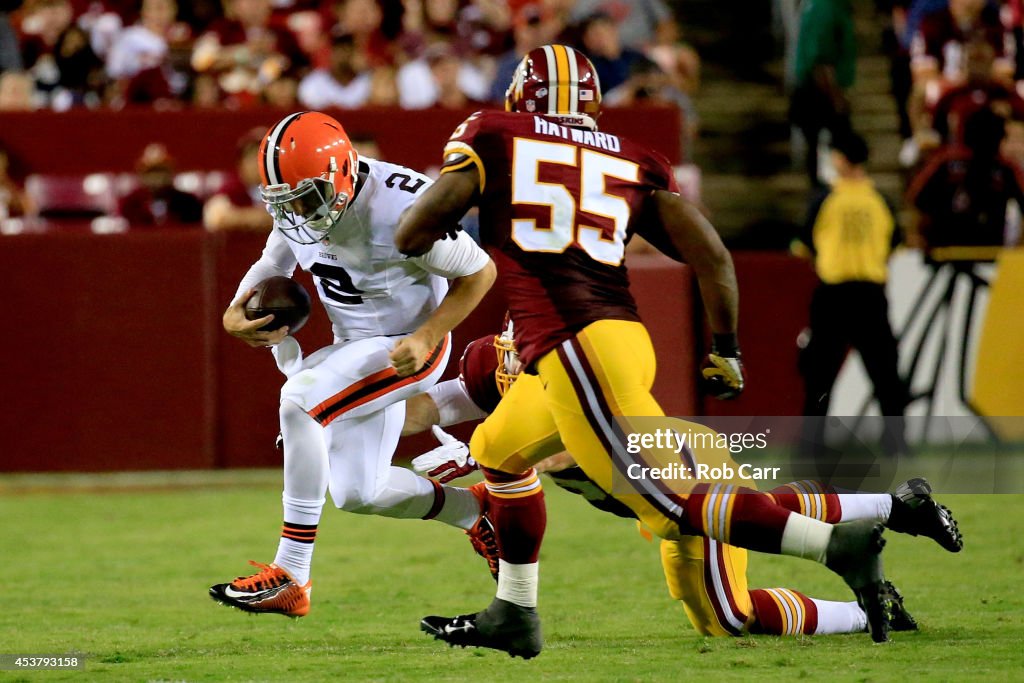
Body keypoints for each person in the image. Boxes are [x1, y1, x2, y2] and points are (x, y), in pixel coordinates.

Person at [395, 45, 898, 657]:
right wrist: (727, 349)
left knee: (677, 509)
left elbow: (413, 228)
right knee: (497, 450)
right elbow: (711, 255)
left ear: (516, 100)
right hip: (608, 343)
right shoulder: (629, 158)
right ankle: (515, 609)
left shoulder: (495, 135)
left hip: (575, 342)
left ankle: (835, 545)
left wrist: (429, 244)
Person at [402, 325, 962, 636]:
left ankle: (868, 611)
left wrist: (468, 461)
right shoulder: (532, 397)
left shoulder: (541, 402)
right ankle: (898, 507)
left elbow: (554, 454)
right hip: (687, 454)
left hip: (682, 475)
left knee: (726, 618)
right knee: (763, 509)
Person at [208, 111, 497, 618]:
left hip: (407, 346)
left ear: (342, 173)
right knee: (360, 492)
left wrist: (429, 333)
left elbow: (479, 272)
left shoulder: (402, 204)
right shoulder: (297, 195)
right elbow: (274, 263)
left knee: (298, 400)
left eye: (306, 197)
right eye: (285, 200)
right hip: (354, 346)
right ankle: (477, 511)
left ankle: (292, 573)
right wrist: (236, 308)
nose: (297, 210)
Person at [799, 131, 909, 456]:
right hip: (871, 294)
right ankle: (896, 441)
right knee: (885, 373)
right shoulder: (880, 200)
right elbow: (895, 243)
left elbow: (803, 244)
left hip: (833, 294)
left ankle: (812, 444)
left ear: (839, 158)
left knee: (820, 373)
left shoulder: (824, 199)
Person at [788, 0, 856, 187]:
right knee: (829, 149)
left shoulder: (820, 6)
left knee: (820, 149)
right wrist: (836, 96)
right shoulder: (824, 7)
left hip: (817, 87)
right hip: (820, 91)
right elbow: (819, 56)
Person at [203, 128, 273, 232]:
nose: (257, 163)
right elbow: (214, 218)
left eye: (263, 156)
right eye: (251, 156)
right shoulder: (233, 188)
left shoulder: (285, 187)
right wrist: (254, 217)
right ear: (240, 163)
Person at [117, 143, 203, 226]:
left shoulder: (189, 204)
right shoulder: (129, 205)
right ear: (141, 173)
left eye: (162, 170)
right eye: (151, 171)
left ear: (172, 172)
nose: (157, 177)